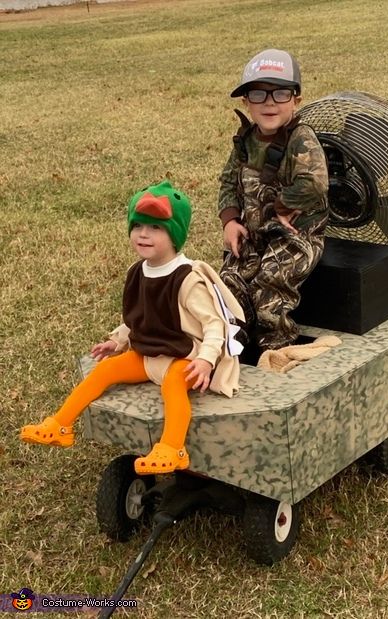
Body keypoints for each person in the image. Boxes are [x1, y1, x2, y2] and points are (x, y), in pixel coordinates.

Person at [20, 180, 244, 475]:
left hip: (184, 358)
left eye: (156, 228)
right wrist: (118, 340)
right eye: (138, 226)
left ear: (175, 233)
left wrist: (205, 360)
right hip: (149, 354)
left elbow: (215, 323)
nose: (143, 234)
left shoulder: (187, 279)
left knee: (174, 385)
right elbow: (139, 316)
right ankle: (60, 424)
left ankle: (173, 447)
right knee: (105, 371)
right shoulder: (137, 271)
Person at [218, 48, 329, 353]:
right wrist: (230, 221)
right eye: (258, 94)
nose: (269, 102)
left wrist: (283, 206)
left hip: (295, 235)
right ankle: (233, 342)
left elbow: (315, 183)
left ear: (296, 99)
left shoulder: (300, 138)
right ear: (246, 103)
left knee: (271, 280)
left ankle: (275, 346)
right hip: (254, 233)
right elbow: (229, 180)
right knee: (229, 281)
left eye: (280, 93)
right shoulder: (246, 140)